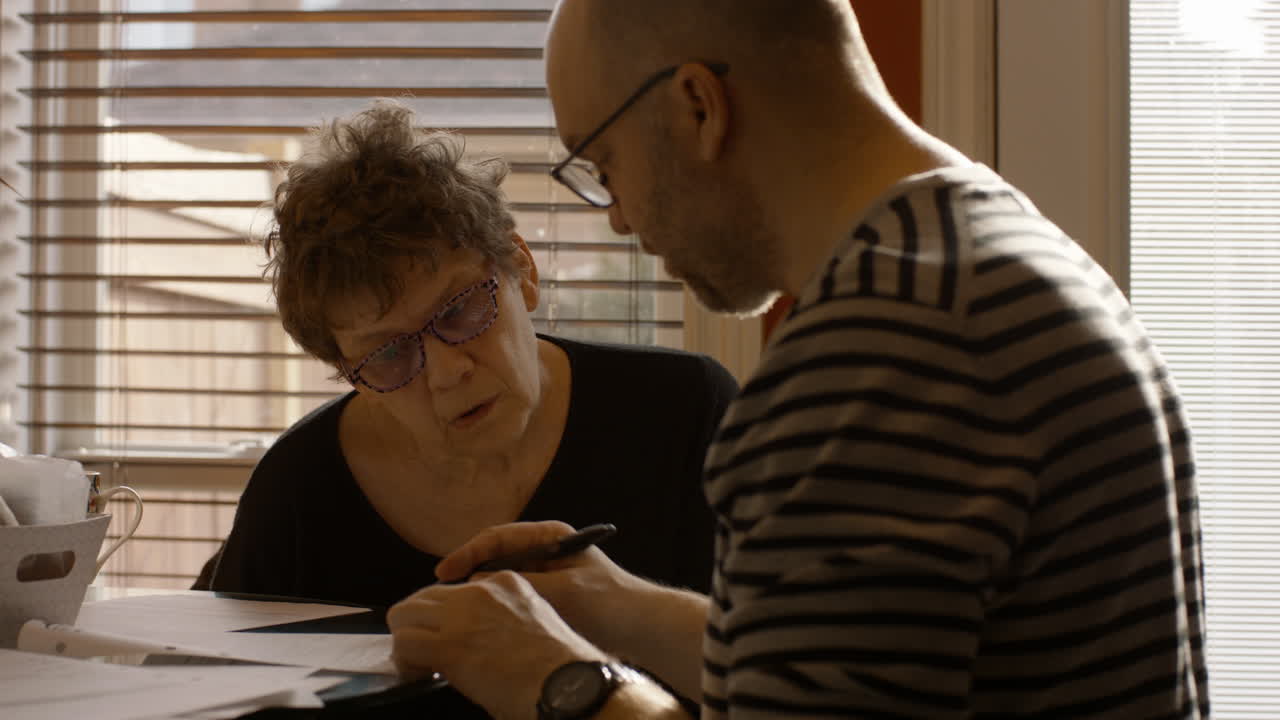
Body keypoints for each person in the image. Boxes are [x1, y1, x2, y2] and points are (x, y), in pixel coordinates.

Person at [385, 2, 1210, 719]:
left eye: (604, 166)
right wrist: (612, 605)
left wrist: (557, 678)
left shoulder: (870, 358)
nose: (620, 221)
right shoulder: (993, 255)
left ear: (699, 107)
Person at [208, 101, 737, 618]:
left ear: (522, 271)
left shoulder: (686, 412)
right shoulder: (300, 487)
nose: (447, 371)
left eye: (460, 310)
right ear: (350, 375)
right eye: (388, 352)